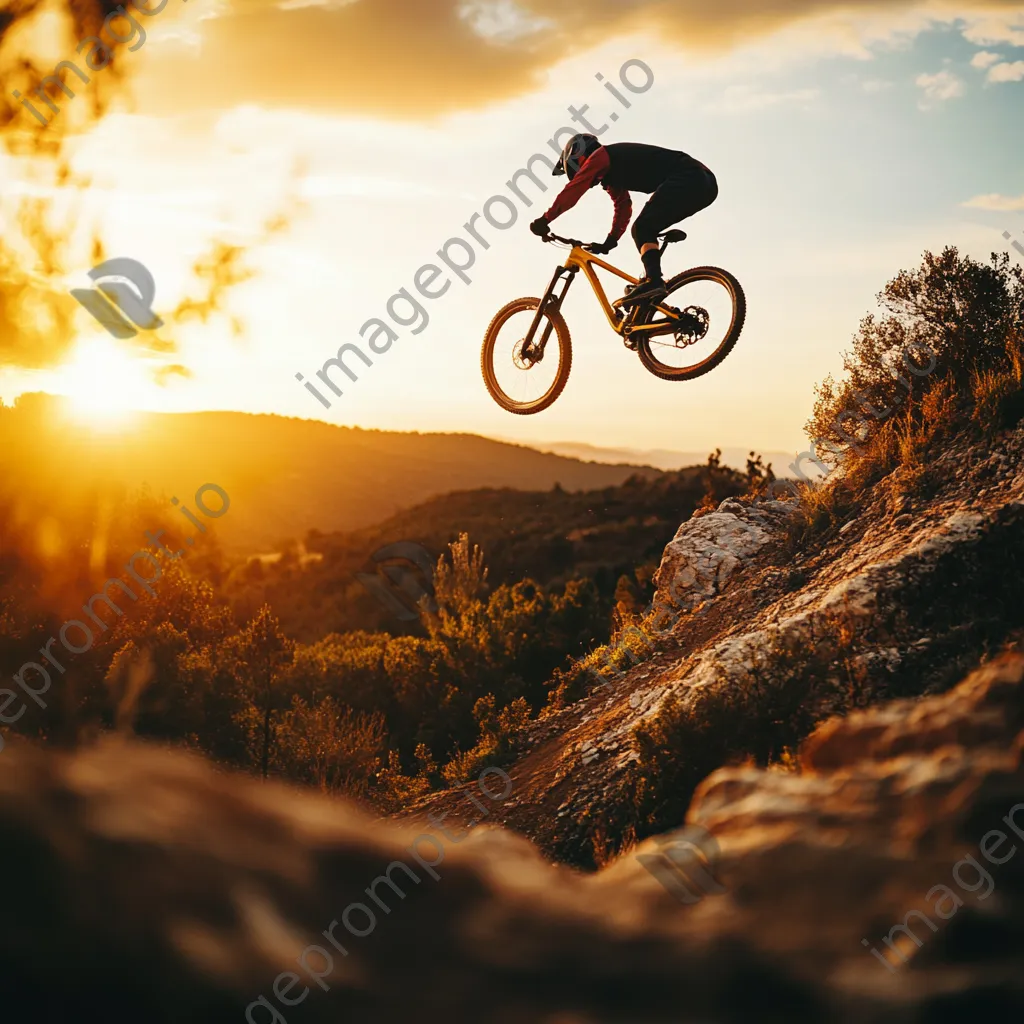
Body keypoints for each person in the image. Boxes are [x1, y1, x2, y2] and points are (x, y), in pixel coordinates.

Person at [529, 134, 719, 306]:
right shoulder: (610, 174)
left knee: (643, 229)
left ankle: (654, 281)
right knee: (645, 229)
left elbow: (574, 190)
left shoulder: (600, 156)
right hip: (706, 185)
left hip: (689, 176)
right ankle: (651, 288)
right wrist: (611, 240)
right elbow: (623, 206)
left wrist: (545, 219)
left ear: (578, 156)